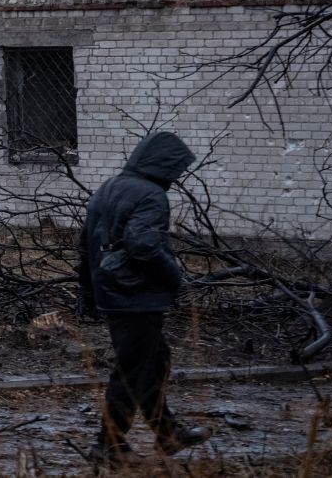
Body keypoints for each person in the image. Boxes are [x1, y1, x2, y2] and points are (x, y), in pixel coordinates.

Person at [78, 131, 211, 465]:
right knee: (133, 370)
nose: (178, 175)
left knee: (154, 363)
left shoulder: (109, 187)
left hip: (113, 295)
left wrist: (90, 296)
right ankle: (108, 446)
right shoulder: (151, 195)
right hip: (137, 297)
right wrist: (175, 278)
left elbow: (85, 247)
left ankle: (168, 434)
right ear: (165, 165)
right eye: (177, 168)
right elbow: (144, 246)